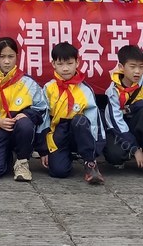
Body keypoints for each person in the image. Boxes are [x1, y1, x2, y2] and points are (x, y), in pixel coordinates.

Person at [0, 37, 45, 181]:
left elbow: (42, 109)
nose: (7, 61)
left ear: (17, 57)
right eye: (2, 57)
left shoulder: (28, 83)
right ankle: (7, 155)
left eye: (11, 56)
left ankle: (22, 161)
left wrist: (27, 114)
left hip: (20, 129)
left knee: (25, 124)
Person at [39, 42, 103, 184]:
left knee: (79, 120)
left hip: (79, 131)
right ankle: (65, 156)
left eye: (70, 63)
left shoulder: (85, 90)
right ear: (53, 64)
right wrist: (44, 150)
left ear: (77, 63)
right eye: (60, 64)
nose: (66, 68)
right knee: (59, 172)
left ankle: (90, 163)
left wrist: (94, 149)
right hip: (58, 134)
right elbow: (43, 119)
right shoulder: (48, 88)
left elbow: (94, 121)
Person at [101, 44, 143, 182]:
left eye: (141, 67)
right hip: (122, 129)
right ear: (121, 67)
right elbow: (116, 123)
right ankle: (132, 153)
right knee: (114, 156)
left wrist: (131, 108)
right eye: (132, 66)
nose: (137, 71)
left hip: (142, 126)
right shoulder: (113, 90)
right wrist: (135, 149)